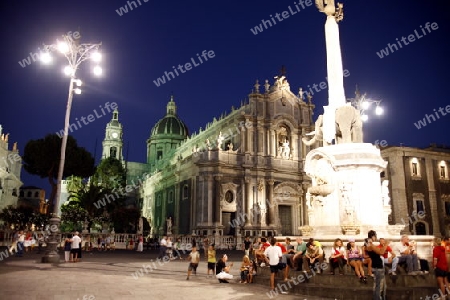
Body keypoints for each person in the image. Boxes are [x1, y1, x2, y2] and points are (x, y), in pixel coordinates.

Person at [365, 230, 389, 300]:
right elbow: (381, 252)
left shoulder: (368, 245)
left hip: (376, 267)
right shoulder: (371, 246)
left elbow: (378, 251)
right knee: (379, 287)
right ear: (373, 236)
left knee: (379, 286)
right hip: (378, 268)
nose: (376, 238)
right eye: (375, 236)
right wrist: (386, 244)